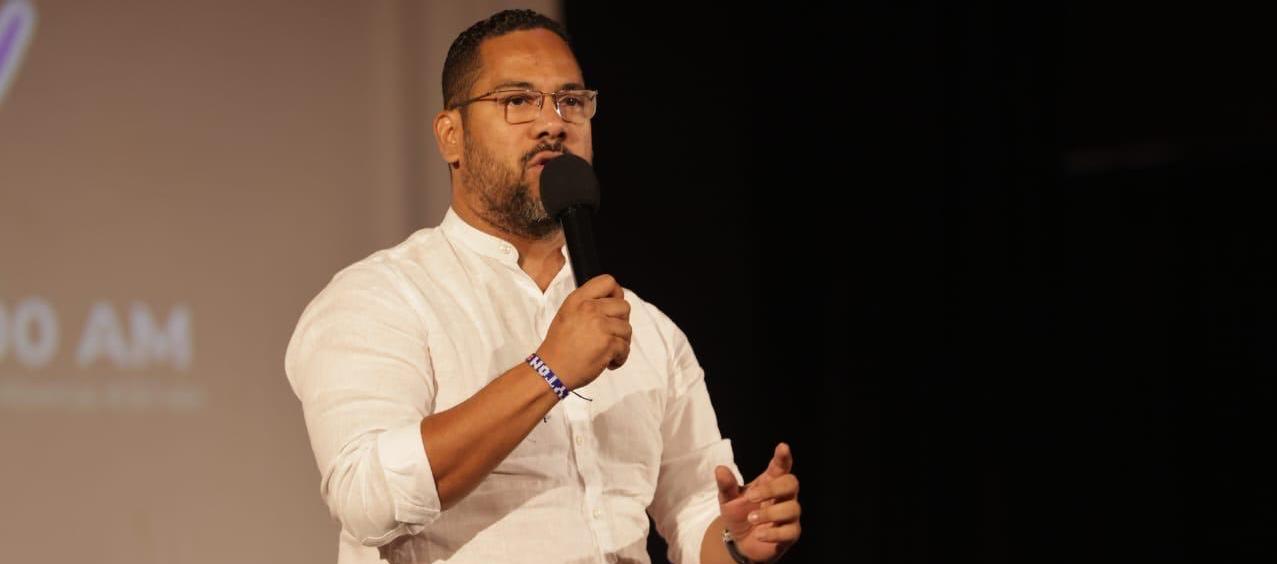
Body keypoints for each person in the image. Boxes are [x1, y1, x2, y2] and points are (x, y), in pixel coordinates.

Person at [285, 9, 801, 564]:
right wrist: (549, 370)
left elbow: (696, 509)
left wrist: (737, 539)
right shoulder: (380, 298)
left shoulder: (646, 329)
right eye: (517, 101)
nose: (553, 123)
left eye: (571, 100)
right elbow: (367, 497)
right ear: (450, 136)